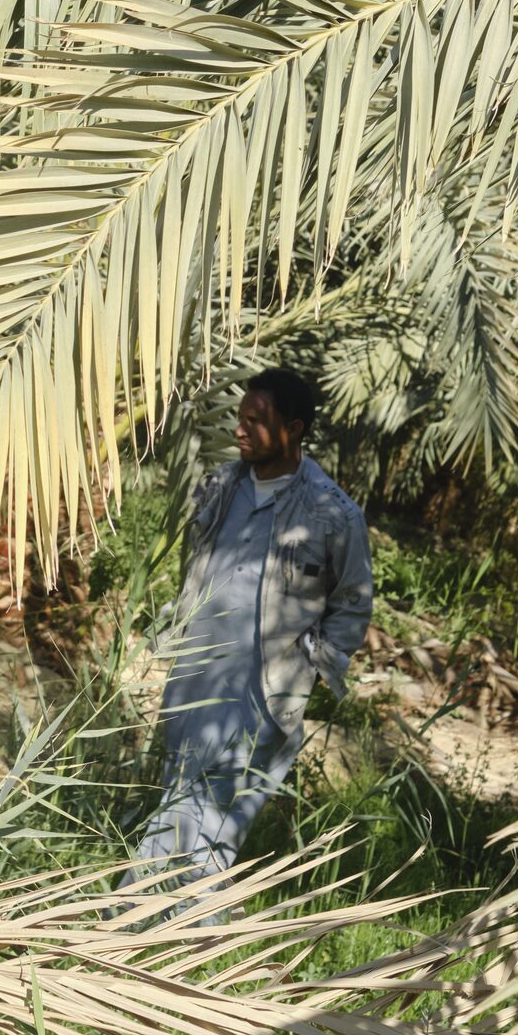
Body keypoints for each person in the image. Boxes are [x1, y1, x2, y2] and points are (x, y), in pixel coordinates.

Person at [129, 367, 373, 892]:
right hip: (196, 673)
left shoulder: (332, 513)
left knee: (214, 809)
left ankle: (136, 916)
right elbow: (197, 566)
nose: (241, 429)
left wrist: (312, 665)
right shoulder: (219, 488)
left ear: (294, 428)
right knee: (183, 798)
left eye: (255, 421)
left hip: (264, 687)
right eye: (240, 418)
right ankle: (176, 924)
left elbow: (352, 603)